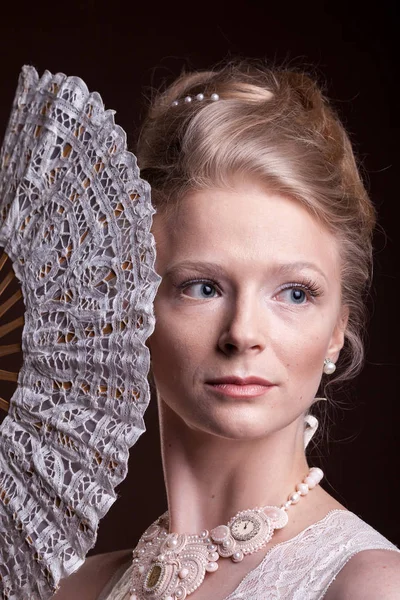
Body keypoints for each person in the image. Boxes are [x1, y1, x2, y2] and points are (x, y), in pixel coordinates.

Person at [54, 61, 400, 599]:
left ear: (337, 330)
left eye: (295, 293)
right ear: (132, 310)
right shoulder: (69, 588)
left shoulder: (368, 586)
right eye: (203, 287)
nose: (242, 334)